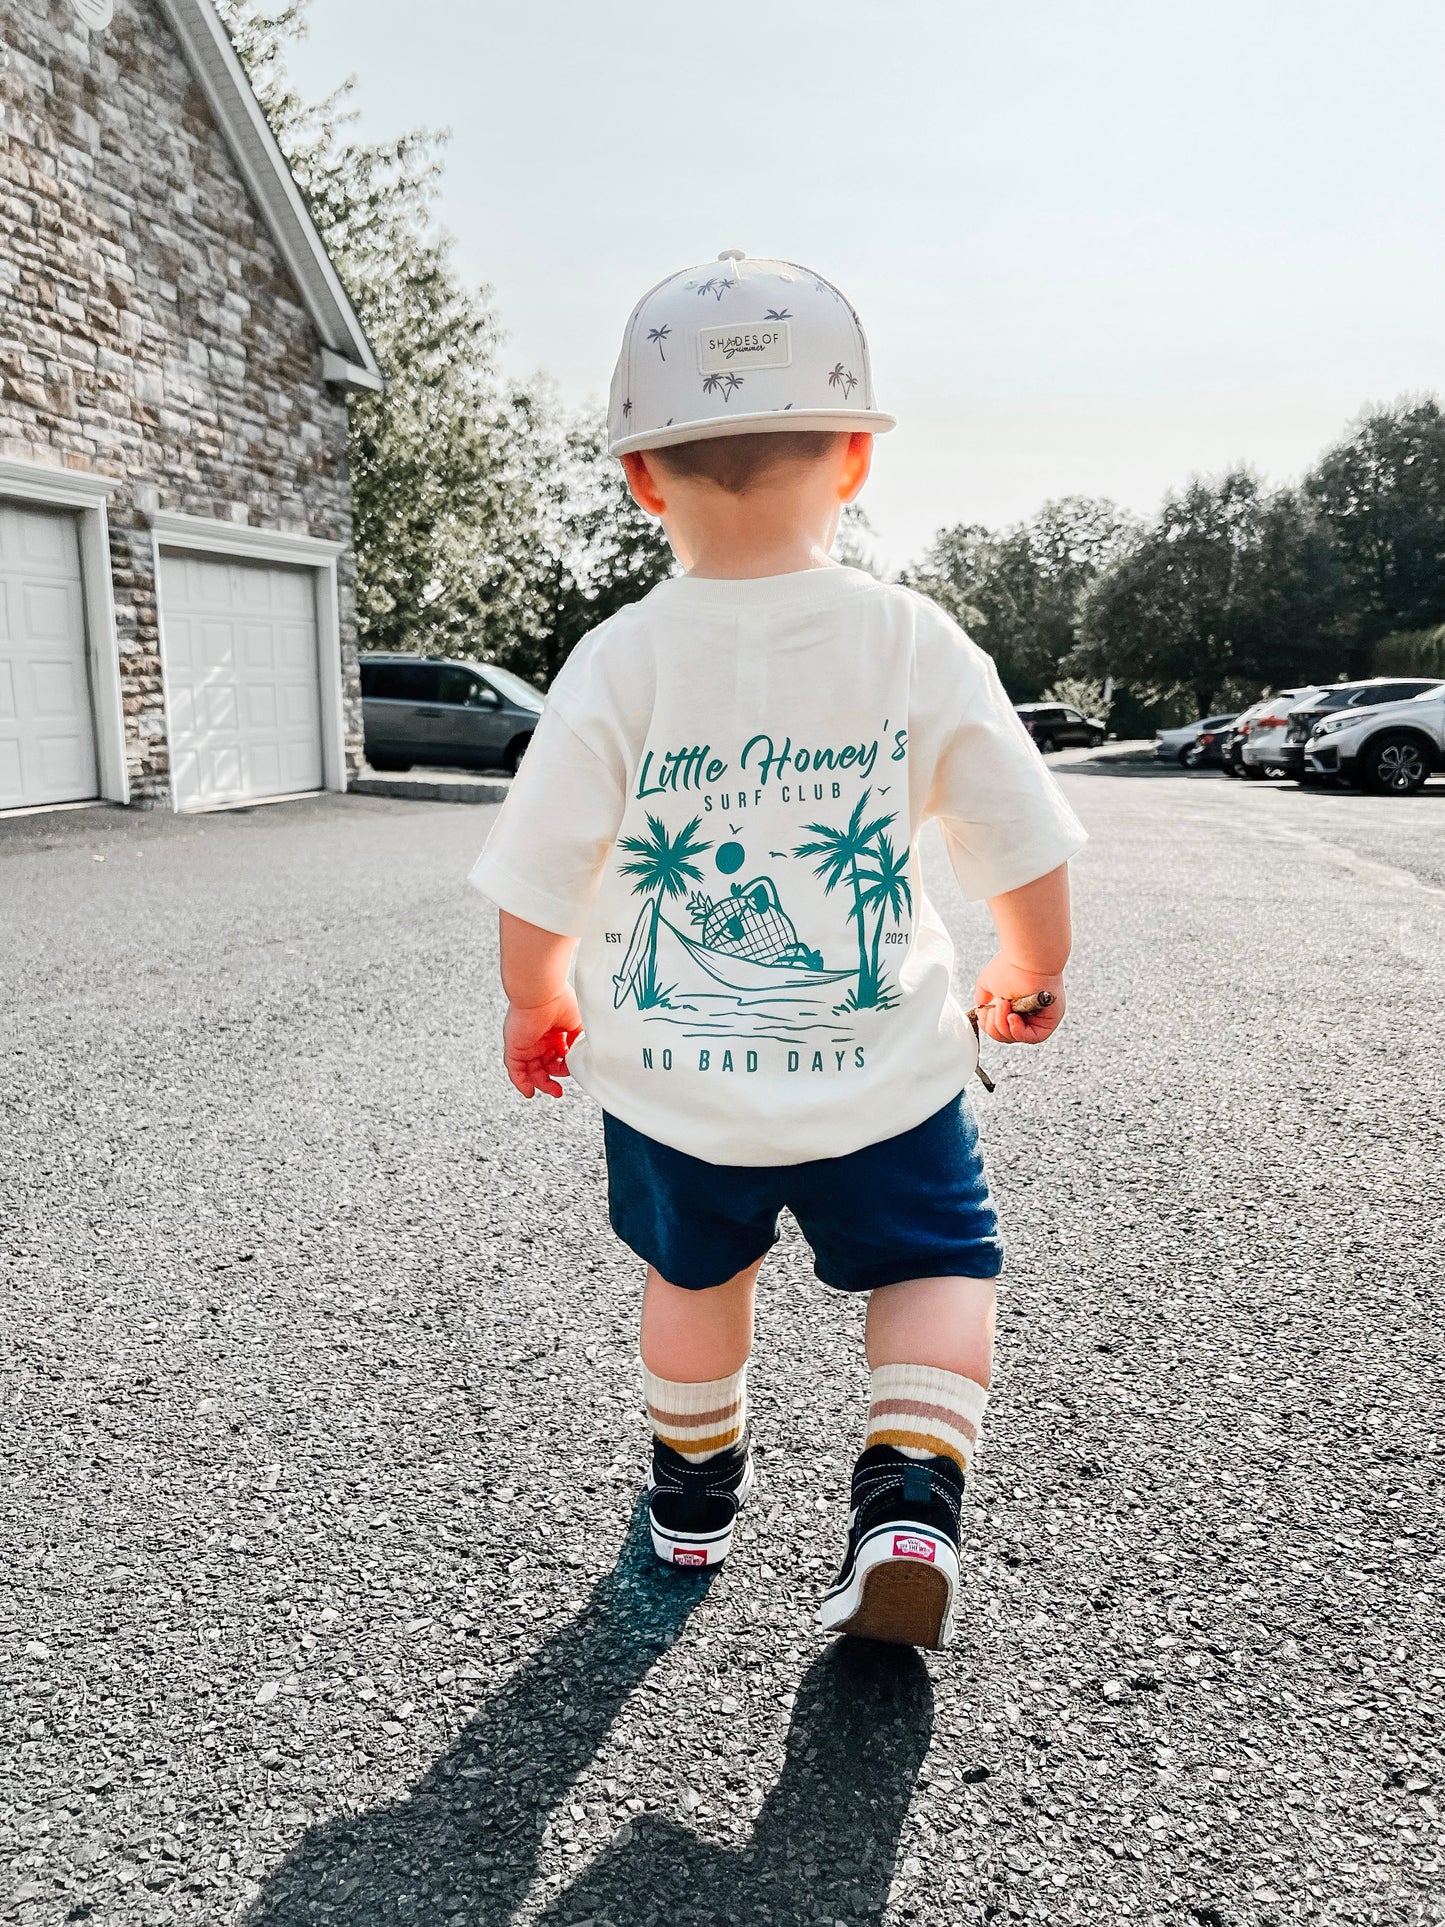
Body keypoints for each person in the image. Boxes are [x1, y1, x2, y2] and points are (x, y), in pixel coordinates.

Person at [470, 251, 1086, 1649]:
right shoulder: (912, 641)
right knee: (935, 1271)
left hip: (679, 1088)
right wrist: (1031, 966)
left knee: (694, 1282)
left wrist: (534, 998)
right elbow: (1017, 833)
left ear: (639, 477)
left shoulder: (617, 660)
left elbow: (539, 863)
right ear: (854, 459)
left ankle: (689, 1509)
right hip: (885, 1077)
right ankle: (909, 1504)